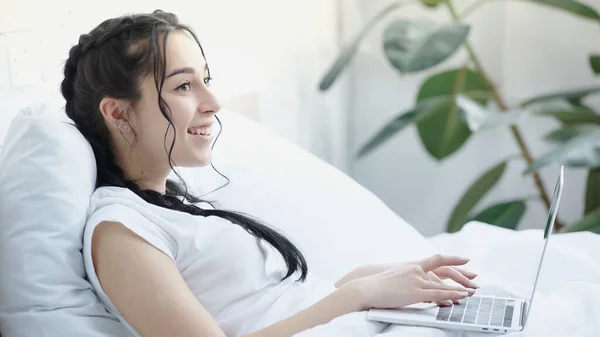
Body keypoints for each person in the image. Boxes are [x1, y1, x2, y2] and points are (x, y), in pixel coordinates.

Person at [61, 10, 479, 337]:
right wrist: (361, 295)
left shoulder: (175, 205)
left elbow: (278, 304)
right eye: (184, 86)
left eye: (205, 80)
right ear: (117, 113)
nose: (213, 102)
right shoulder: (122, 231)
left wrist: (391, 279)